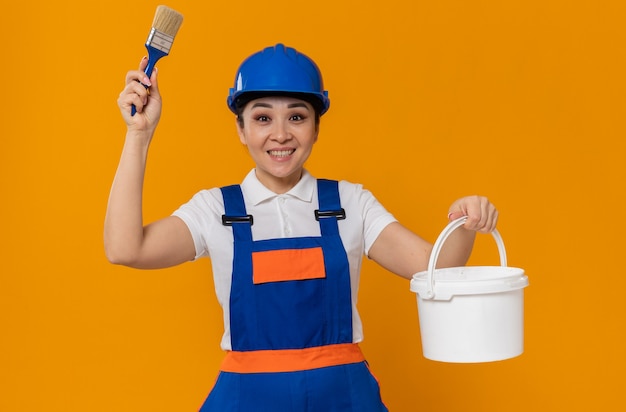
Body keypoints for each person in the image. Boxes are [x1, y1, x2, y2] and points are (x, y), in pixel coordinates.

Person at [105, 43, 498, 411]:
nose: (280, 134)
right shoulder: (215, 209)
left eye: (297, 116)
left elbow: (437, 270)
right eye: (262, 118)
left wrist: (464, 223)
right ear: (241, 130)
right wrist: (138, 135)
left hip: (342, 397)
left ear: (315, 128)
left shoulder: (350, 203)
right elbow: (125, 249)